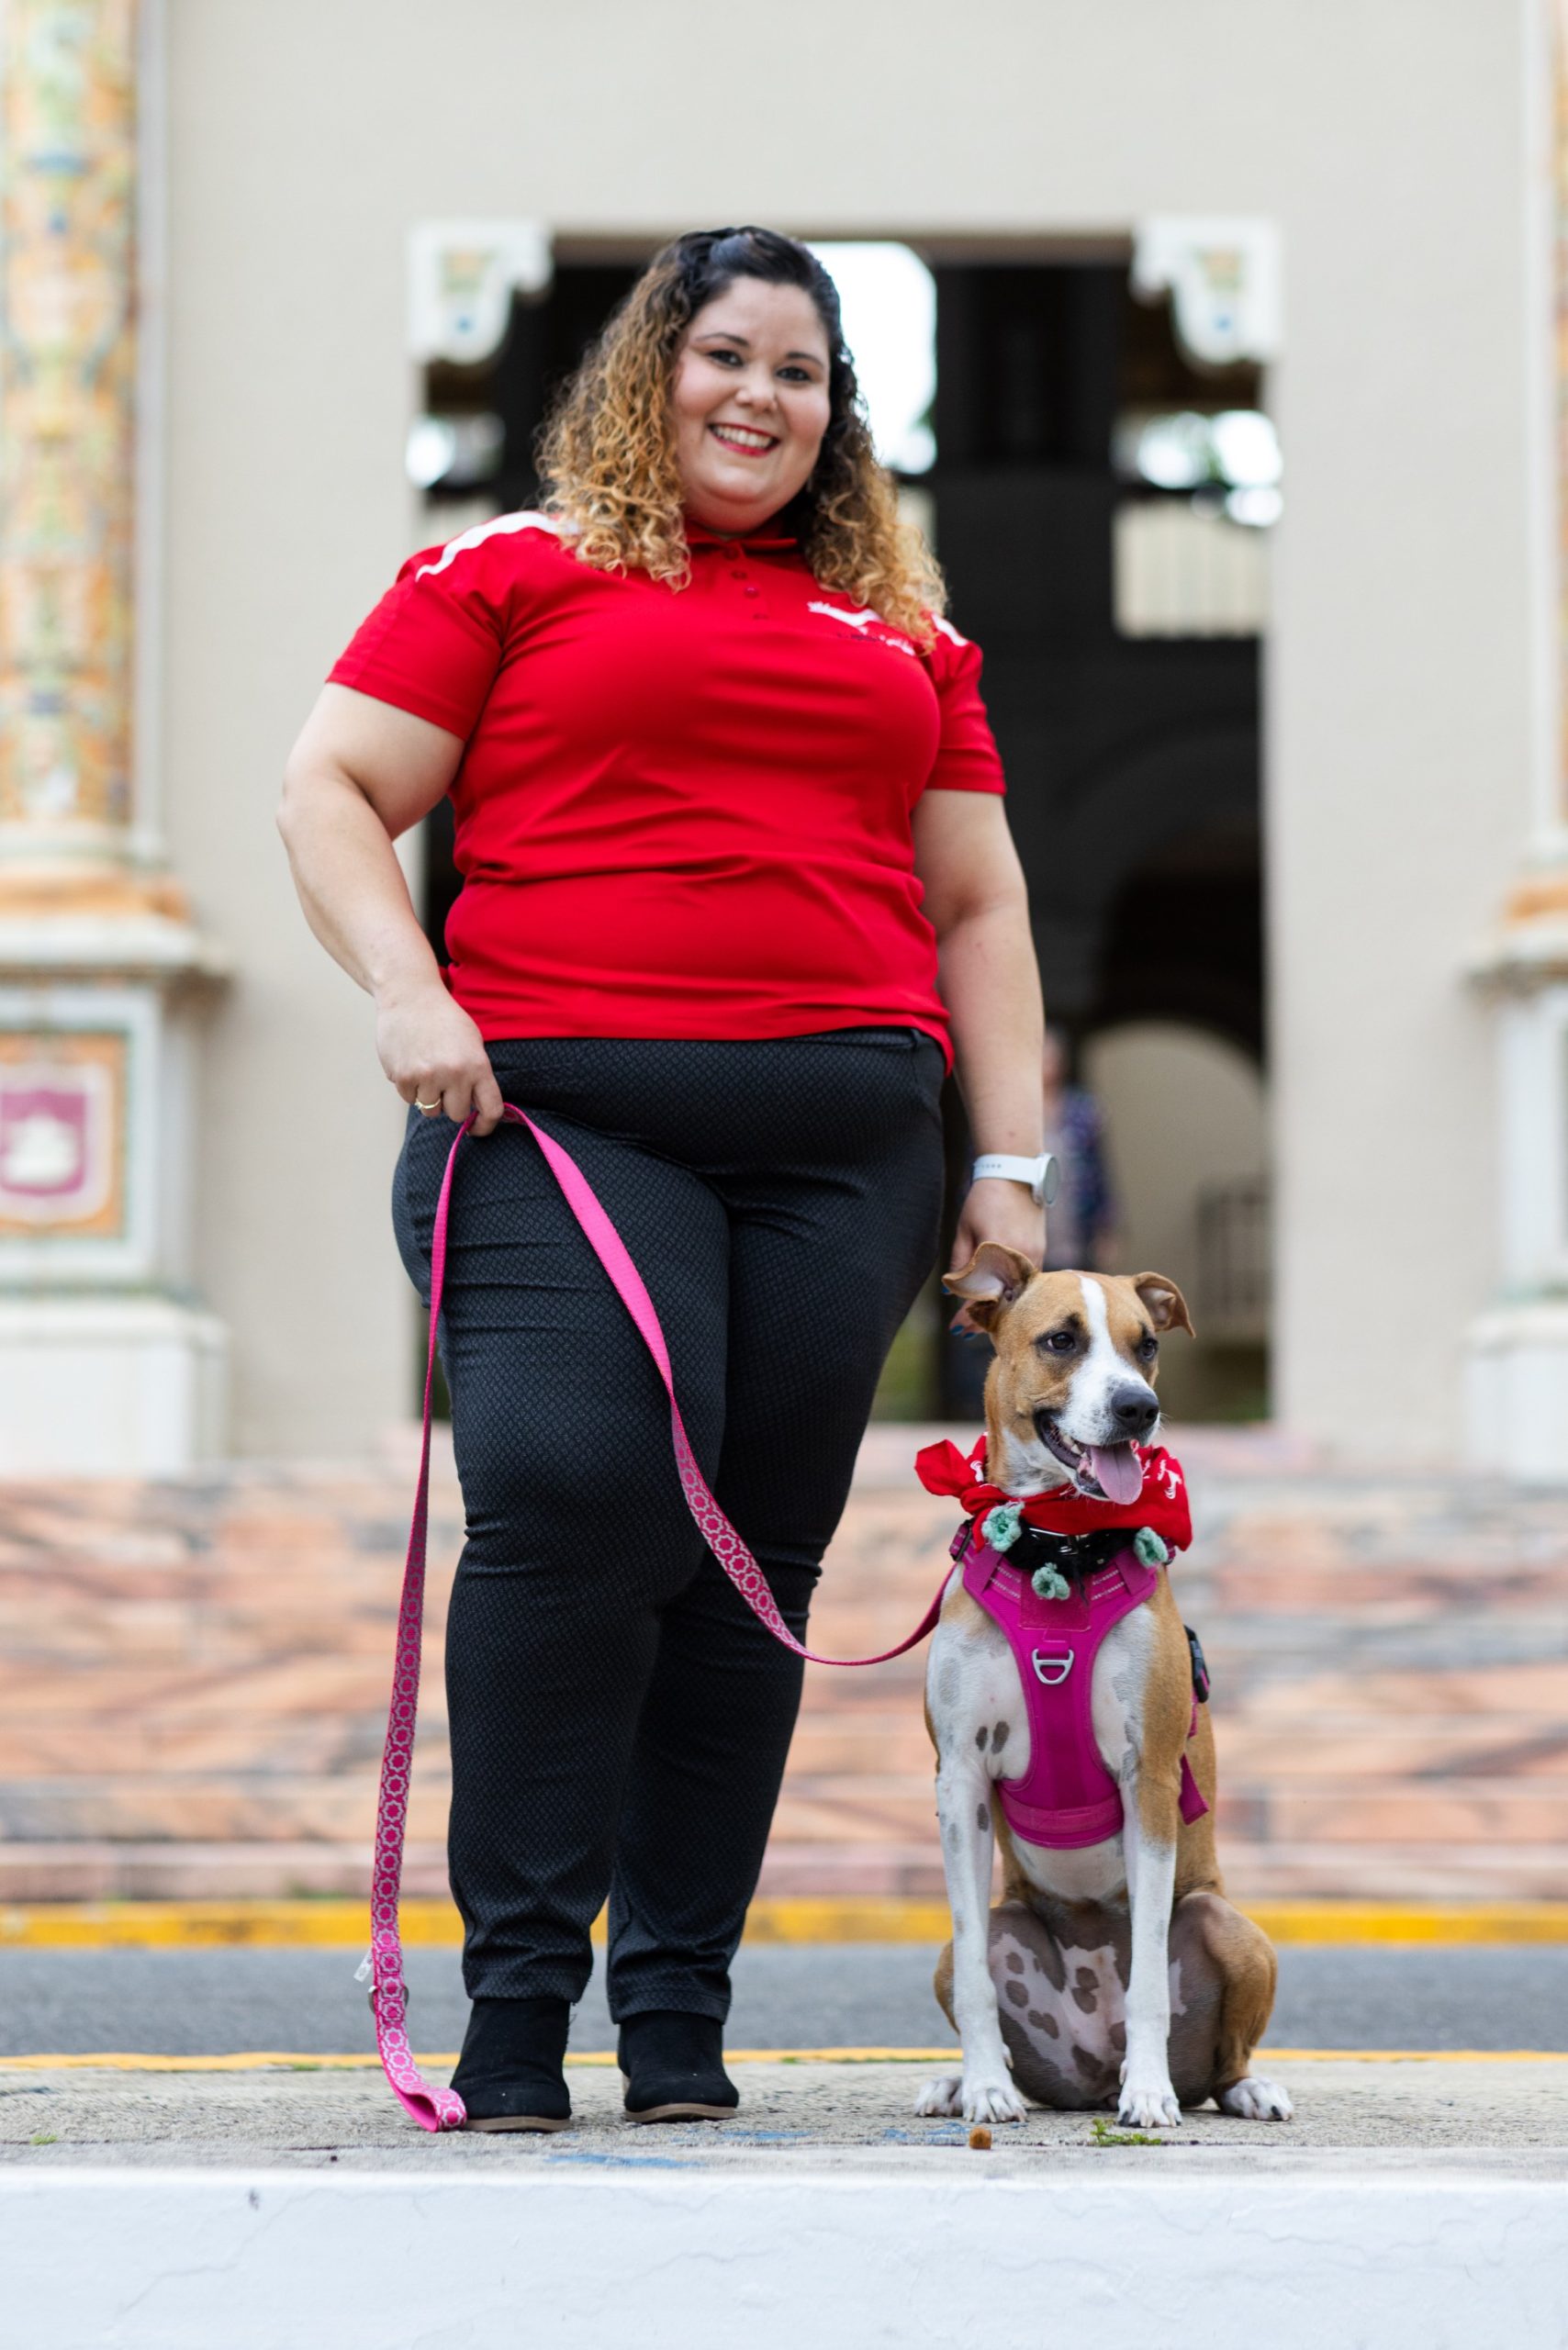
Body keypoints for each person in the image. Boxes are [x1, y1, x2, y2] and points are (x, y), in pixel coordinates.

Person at [278, 228, 1046, 2132]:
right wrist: (408, 990)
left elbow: (977, 902)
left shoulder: (903, 633)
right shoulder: (511, 569)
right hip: (553, 1123)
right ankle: (516, 2005)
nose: (759, 397)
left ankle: (678, 2009)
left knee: (752, 1559)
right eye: (724, 355)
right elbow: (329, 789)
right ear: (650, 374)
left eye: (800, 371)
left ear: (835, 411)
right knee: (574, 1491)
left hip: (843, 1150)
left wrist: (1008, 1164)